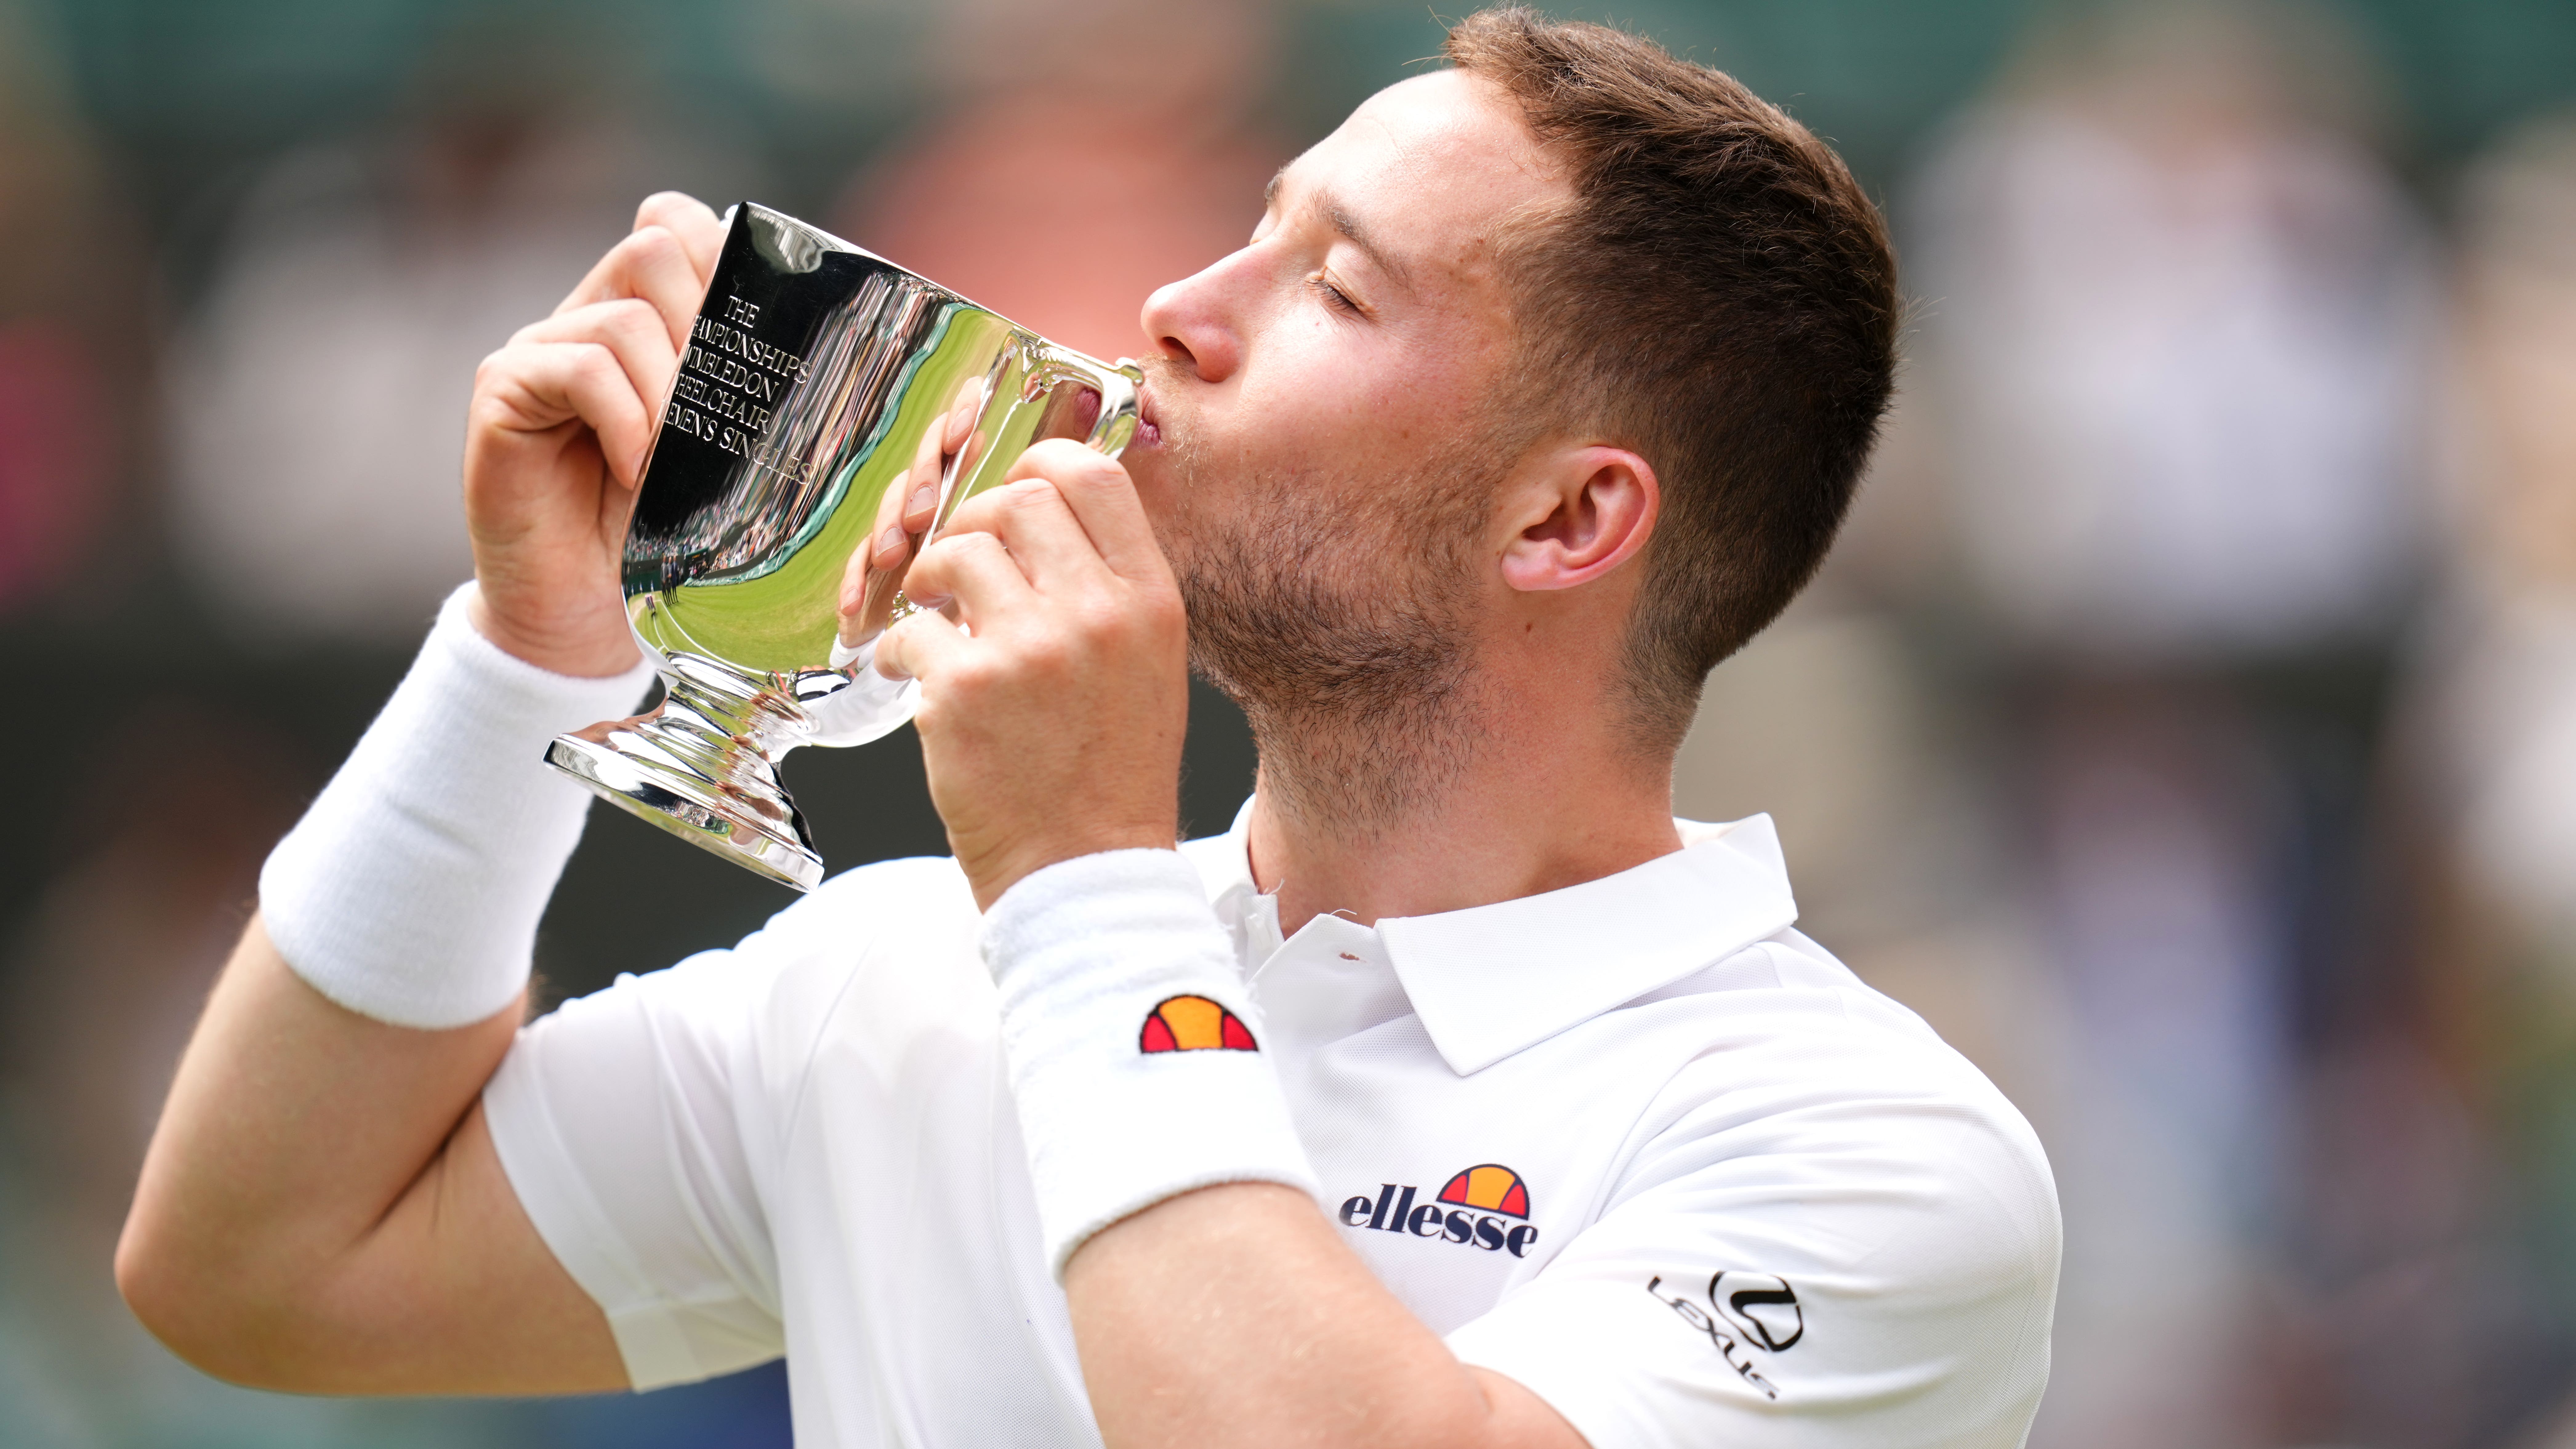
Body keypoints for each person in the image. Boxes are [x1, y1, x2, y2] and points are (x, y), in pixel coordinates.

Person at [117, 11, 2059, 1448]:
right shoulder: (910, 971)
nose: (1178, 308)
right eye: (1251, 227)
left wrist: (1076, 878)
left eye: (1332, 287)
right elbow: (264, 1262)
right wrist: (527, 658)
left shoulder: (1870, 1148)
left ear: (1568, 519)